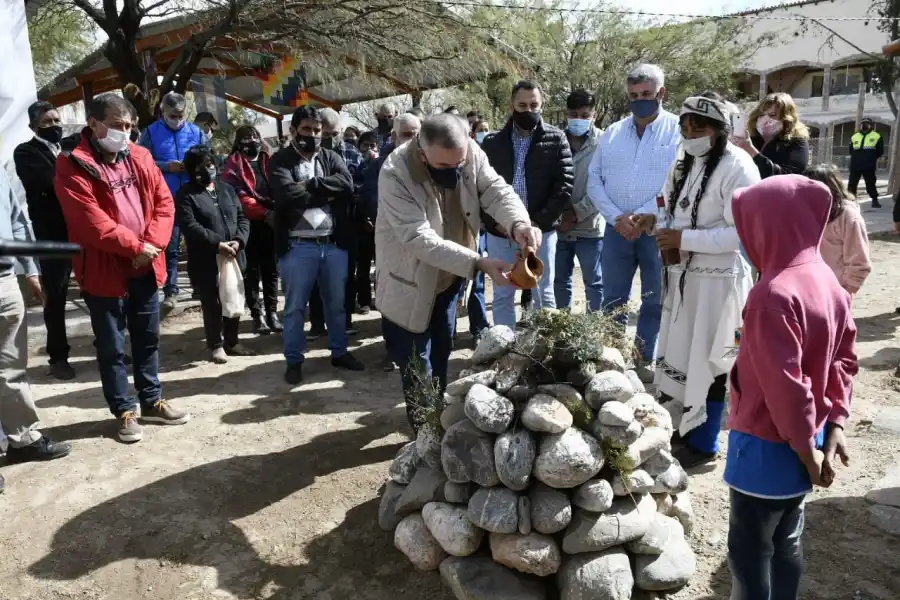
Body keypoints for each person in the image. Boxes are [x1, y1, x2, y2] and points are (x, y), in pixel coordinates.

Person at [725, 174, 857, 598]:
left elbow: (786, 390)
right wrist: (833, 425)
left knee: (750, 551)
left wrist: (807, 454)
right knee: (787, 542)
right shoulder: (828, 282)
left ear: (767, 226)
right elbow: (844, 361)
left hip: (766, 449)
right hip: (809, 439)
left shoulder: (771, 295)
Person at [376, 113, 539, 432]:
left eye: (459, 164)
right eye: (444, 166)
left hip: (450, 276)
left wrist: (519, 223)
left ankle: (437, 419)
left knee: (441, 351)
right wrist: (478, 262)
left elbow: (495, 191)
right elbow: (417, 238)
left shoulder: (470, 152)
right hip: (409, 281)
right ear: (422, 150)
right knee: (416, 363)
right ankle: (424, 434)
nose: (454, 171)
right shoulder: (395, 172)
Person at [55, 93, 189, 443]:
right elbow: (89, 221)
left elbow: (164, 203)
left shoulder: (141, 156)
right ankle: (124, 410)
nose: (124, 132)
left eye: (129, 126)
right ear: (94, 124)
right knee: (112, 346)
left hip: (145, 265)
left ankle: (152, 400)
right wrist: (135, 247)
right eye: (117, 125)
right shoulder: (72, 163)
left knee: (148, 338)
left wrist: (152, 246)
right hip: (104, 269)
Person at [650, 93, 760, 468]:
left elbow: (742, 234)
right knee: (681, 355)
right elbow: (667, 205)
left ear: (720, 130)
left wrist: (684, 239)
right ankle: (684, 429)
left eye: (699, 126)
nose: (690, 133)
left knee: (714, 360)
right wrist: (653, 221)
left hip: (722, 287)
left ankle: (706, 441)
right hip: (684, 281)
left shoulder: (739, 166)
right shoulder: (683, 161)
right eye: (685, 126)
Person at [587, 63, 681, 381]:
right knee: (613, 300)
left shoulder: (678, 131)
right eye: (634, 95)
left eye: (647, 94)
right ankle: (612, 362)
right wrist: (616, 217)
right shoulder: (612, 133)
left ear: (661, 93)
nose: (640, 100)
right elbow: (594, 179)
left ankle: (644, 359)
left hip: (658, 230)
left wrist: (642, 214)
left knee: (655, 299)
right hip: (617, 230)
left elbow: (678, 181)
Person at [268, 105, 365, 384]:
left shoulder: (331, 157)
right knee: (295, 308)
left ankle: (339, 352)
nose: (312, 135)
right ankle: (294, 360)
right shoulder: (280, 160)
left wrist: (310, 185)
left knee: (337, 304)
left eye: (317, 130)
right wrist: (326, 192)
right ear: (293, 131)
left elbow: (346, 185)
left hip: (333, 245)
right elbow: (287, 195)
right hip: (298, 247)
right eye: (306, 129)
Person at [0, 166, 72, 491]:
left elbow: (17, 219)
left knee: (11, 368)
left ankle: (22, 439)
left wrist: (30, 269)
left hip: (4, 282)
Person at [481, 80, 574, 327]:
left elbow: (564, 186)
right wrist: (499, 224)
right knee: (503, 293)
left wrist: (536, 224)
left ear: (542, 105)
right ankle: (506, 344)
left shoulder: (556, 138)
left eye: (534, 105)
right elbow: (481, 188)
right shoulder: (492, 142)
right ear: (511, 106)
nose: (528, 110)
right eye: (522, 105)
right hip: (501, 232)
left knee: (543, 292)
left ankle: (544, 346)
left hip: (541, 232)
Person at [13, 101, 76, 380]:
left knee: (97, 290)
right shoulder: (26, 152)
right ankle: (58, 356)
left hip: (80, 230)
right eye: (46, 123)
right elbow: (48, 183)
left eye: (56, 121)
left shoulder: (69, 148)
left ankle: (106, 345)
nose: (54, 127)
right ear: (33, 127)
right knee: (56, 296)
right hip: (52, 235)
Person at [177, 145, 253, 363]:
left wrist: (239, 240)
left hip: (234, 255)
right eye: (199, 167)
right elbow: (190, 225)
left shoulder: (227, 189)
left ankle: (232, 341)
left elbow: (242, 217)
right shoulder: (185, 194)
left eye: (209, 164)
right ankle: (216, 345)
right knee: (212, 303)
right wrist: (217, 243)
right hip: (206, 258)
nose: (206, 170)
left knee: (233, 298)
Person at [139, 92, 207, 311]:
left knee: (198, 242)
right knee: (171, 247)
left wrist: (195, 166)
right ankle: (171, 290)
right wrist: (166, 166)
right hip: (165, 198)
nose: (177, 119)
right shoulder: (150, 133)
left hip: (194, 196)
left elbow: (208, 159)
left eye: (180, 115)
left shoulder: (196, 132)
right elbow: (142, 162)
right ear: (163, 112)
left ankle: (200, 286)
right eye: (172, 116)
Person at [222, 125, 282, 334]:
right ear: (238, 143)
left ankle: (273, 312)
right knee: (251, 271)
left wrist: (275, 212)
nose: (252, 141)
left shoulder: (269, 160)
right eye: (246, 138)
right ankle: (258, 315)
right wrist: (264, 213)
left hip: (271, 222)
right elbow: (238, 196)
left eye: (255, 137)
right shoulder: (233, 165)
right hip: (248, 225)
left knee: (271, 270)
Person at [555, 90, 605, 312]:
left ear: (595, 114)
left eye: (585, 115)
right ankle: (560, 326)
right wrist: (560, 214)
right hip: (558, 227)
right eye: (574, 115)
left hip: (590, 228)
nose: (579, 120)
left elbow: (606, 184)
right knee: (559, 281)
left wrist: (576, 213)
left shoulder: (604, 141)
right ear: (566, 113)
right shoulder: (554, 139)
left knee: (594, 282)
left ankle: (594, 326)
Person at [805, 165, 872, 295]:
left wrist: (844, 292)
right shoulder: (808, 213)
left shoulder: (847, 216)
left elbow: (859, 263)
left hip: (834, 291)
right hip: (809, 289)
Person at [734, 92, 810, 179]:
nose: (765, 119)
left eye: (772, 115)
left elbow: (790, 176)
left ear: (786, 118)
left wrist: (752, 152)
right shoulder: (751, 140)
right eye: (762, 115)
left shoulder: (797, 143)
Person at [847, 117, 883, 208]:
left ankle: (875, 200)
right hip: (855, 164)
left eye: (867, 123)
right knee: (852, 183)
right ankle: (851, 201)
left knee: (870, 183)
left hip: (869, 165)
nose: (865, 125)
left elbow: (880, 151)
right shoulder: (854, 136)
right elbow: (851, 150)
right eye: (863, 123)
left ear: (871, 125)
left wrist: (870, 157)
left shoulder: (877, 136)